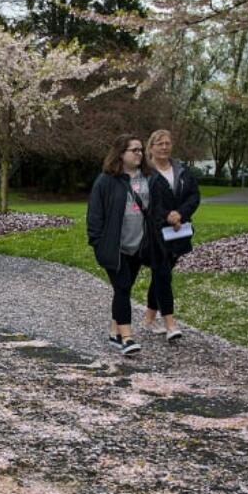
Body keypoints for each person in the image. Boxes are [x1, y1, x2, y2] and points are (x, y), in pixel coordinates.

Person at [87, 134, 160, 355]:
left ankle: (114, 331)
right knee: (122, 288)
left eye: (140, 150)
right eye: (134, 150)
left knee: (125, 288)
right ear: (121, 154)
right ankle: (127, 338)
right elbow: (94, 215)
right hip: (114, 246)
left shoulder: (149, 178)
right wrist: (98, 242)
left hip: (139, 245)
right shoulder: (106, 181)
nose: (139, 153)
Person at [142, 129, 201, 341]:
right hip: (153, 232)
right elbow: (144, 203)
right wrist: (167, 216)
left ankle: (149, 318)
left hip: (178, 231)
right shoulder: (145, 174)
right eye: (159, 143)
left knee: (161, 274)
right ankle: (170, 323)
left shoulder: (182, 171)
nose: (164, 147)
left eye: (167, 143)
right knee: (163, 273)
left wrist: (180, 214)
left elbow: (194, 196)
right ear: (151, 148)